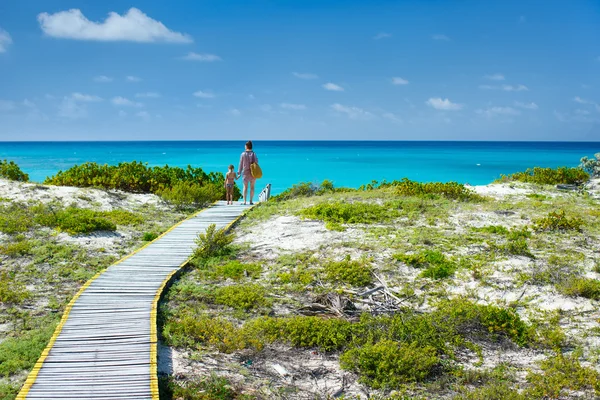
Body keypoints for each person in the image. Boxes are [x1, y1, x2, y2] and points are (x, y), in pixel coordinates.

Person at [237, 140, 258, 205]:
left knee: (245, 187)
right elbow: (256, 162)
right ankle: (251, 201)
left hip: (245, 173)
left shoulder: (243, 154)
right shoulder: (253, 154)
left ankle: (244, 201)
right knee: (252, 187)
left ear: (246, 146)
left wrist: (239, 172)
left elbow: (240, 164)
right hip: (253, 173)